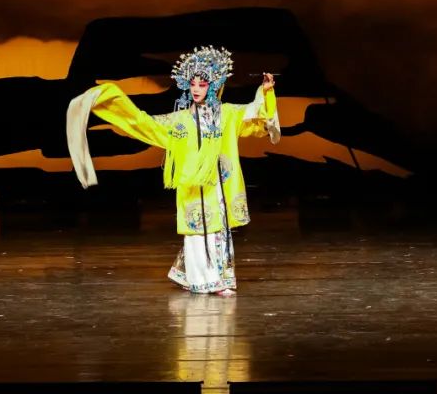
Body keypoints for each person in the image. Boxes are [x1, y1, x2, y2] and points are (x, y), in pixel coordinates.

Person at [66, 46, 280, 296]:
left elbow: (256, 116)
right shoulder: (180, 121)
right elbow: (143, 123)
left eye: (202, 84)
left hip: (218, 185)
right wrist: (109, 101)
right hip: (193, 185)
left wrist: (266, 92)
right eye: (193, 84)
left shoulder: (227, 115)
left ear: (213, 86)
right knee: (198, 231)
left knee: (217, 230)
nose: (196, 89)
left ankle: (207, 276)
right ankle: (207, 281)